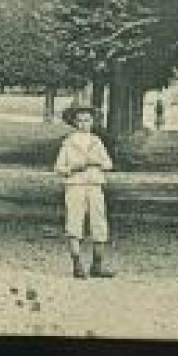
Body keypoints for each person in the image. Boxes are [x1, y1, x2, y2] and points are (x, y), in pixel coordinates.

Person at [55, 106, 116, 279]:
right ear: (74, 123)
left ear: (92, 122)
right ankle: (77, 264)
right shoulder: (68, 143)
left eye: (87, 120)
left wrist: (96, 162)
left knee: (99, 222)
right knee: (74, 221)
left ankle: (97, 264)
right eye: (80, 120)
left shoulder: (97, 142)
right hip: (75, 185)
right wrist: (74, 167)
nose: (83, 124)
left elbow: (109, 164)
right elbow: (59, 167)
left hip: (95, 184)